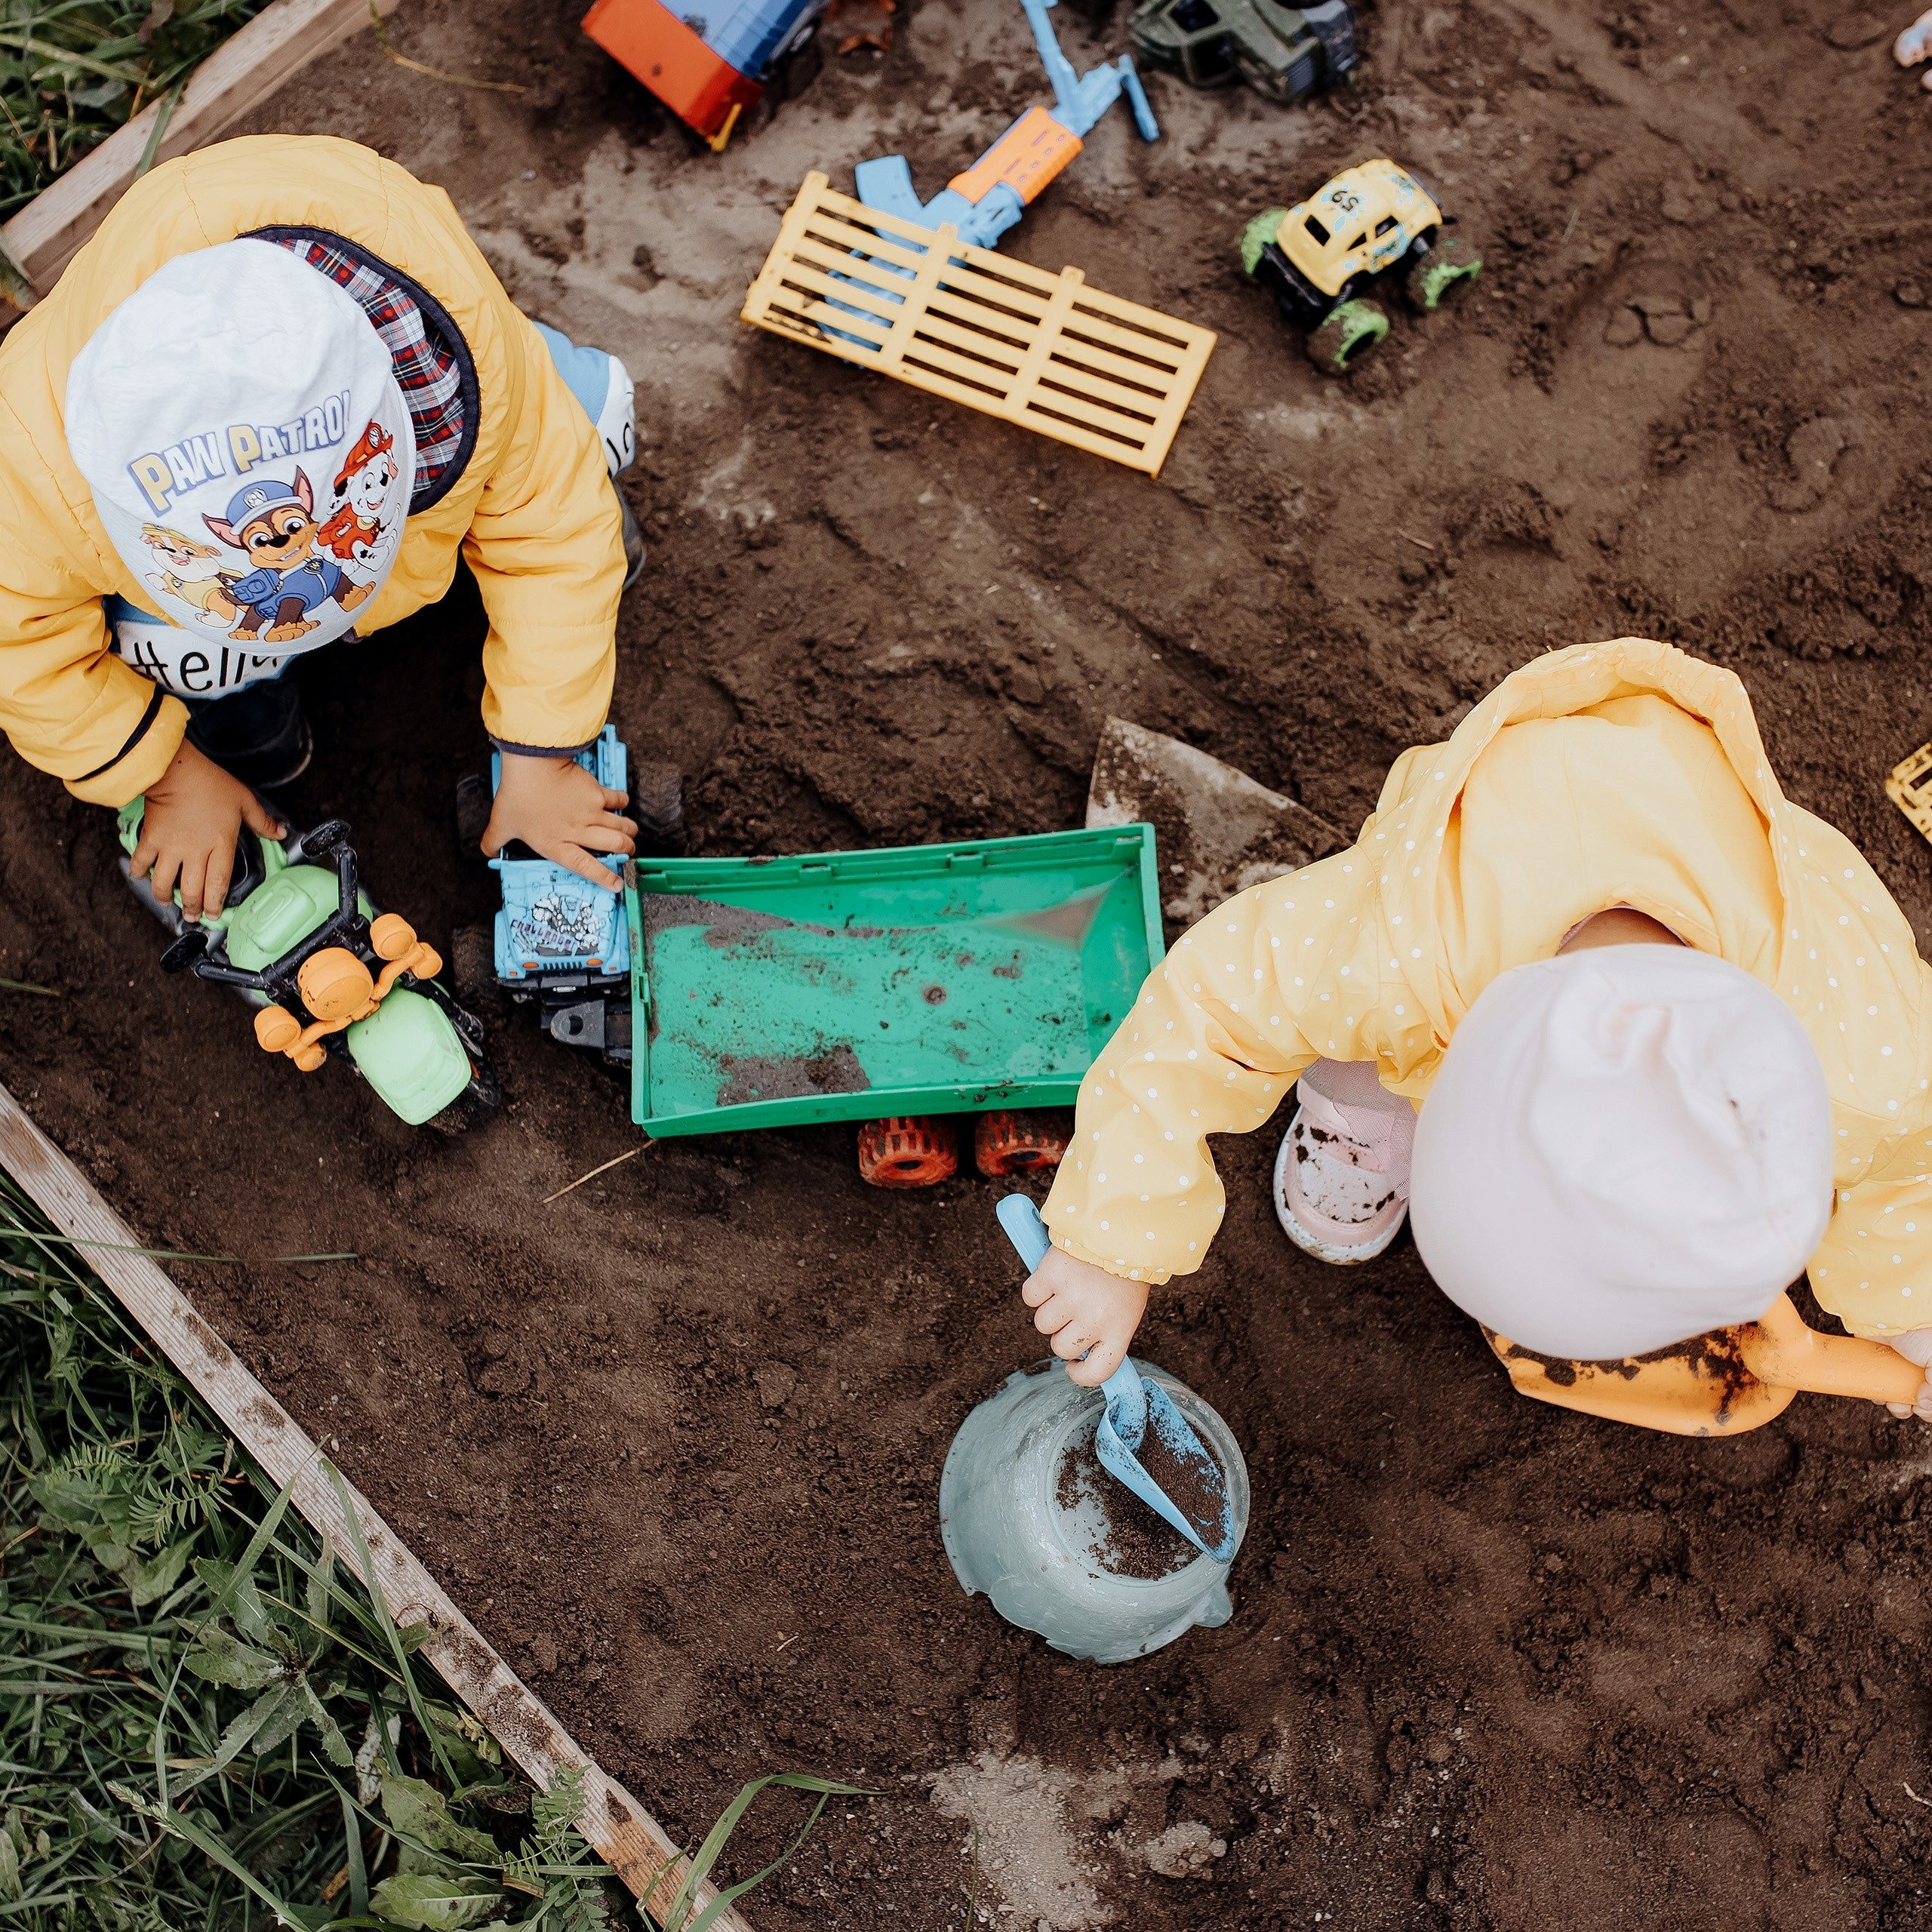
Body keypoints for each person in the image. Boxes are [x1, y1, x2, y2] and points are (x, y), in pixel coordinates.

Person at [1023, 636, 1932, 1423]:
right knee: (1363, 1043)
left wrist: (1917, 1313)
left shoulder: (1870, 1058)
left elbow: (1914, 1163)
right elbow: (1205, 1012)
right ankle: (1370, 1116)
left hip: (1701, 847)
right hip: (1512, 821)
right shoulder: (1395, 949)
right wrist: (1114, 1239)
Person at [0, 134, 644, 923]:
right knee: (187, 653)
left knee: (585, 432)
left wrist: (541, 755)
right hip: (173, 514)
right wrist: (163, 771)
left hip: (453, 382)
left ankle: (556, 519)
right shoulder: (32, 461)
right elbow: (18, 644)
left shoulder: (461, 379)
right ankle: (245, 723)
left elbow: (556, 534)